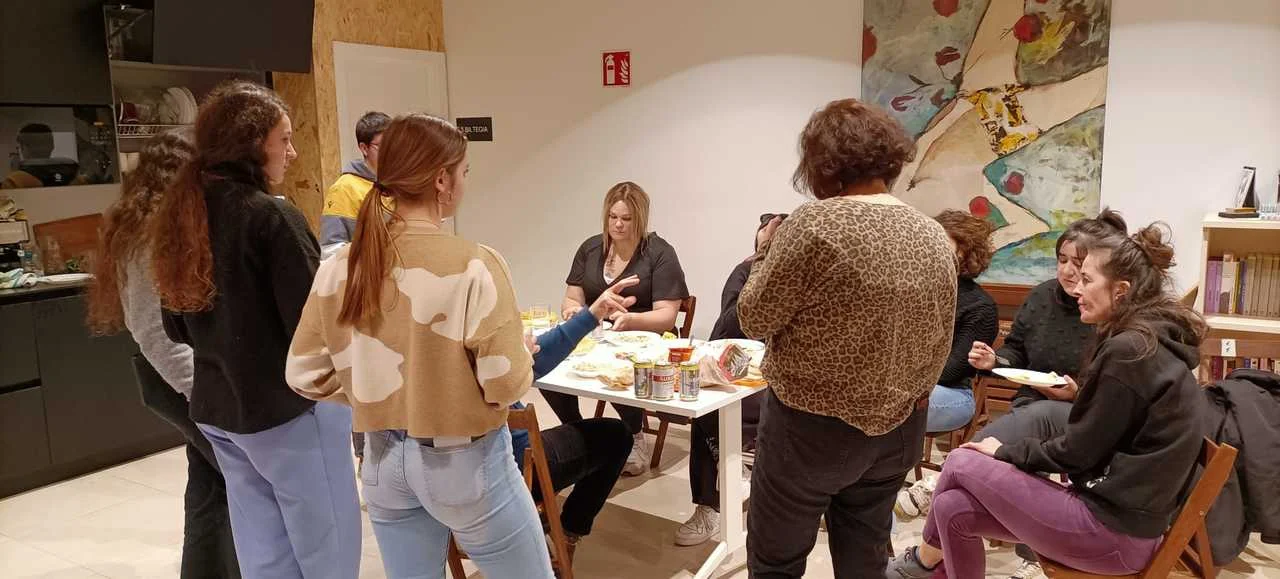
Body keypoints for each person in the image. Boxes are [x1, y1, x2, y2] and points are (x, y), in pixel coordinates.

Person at [285, 113, 552, 578]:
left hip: (381, 460)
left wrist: (377, 389)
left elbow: (303, 373)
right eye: (464, 172)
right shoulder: (476, 264)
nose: (465, 182)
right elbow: (505, 384)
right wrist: (522, 353)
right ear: (442, 181)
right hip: (466, 466)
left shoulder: (341, 266)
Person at [887, 222, 1210, 579]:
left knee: (962, 460)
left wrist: (1005, 452)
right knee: (952, 507)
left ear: (1121, 291)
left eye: (1087, 279)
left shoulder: (1130, 350)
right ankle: (927, 565)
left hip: (1112, 534)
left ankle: (921, 562)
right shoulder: (1142, 341)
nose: (1077, 289)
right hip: (1113, 517)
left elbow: (1077, 452)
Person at [738, 98, 958, 578]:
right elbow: (941, 339)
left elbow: (754, 318)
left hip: (810, 430)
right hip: (900, 429)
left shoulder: (813, 224)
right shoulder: (933, 235)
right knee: (865, 556)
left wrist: (762, 253)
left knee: (776, 561)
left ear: (822, 163)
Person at [152, 81, 361, 579]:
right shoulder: (272, 216)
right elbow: (314, 327)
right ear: (251, 143)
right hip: (289, 410)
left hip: (219, 413)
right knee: (328, 551)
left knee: (264, 553)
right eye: (284, 139)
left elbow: (175, 325)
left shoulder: (182, 215)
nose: (292, 152)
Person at [86, 127, 240, 578]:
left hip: (180, 381)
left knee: (210, 484)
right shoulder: (150, 234)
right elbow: (154, 333)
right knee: (239, 481)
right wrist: (206, 395)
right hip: (182, 382)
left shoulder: (151, 224)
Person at [549, 181, 690, 475]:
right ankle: (577, 430)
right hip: (598, 334)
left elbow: (666, 316)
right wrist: (573, 311)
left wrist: (630, 320)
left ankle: (634, 434)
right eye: (613, 217)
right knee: (549, 362)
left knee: (619, 367)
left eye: (626, 219)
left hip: (643, 338)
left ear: (640, 219)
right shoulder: (591, 248)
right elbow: (571, 298)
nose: (618, 224)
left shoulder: (659, 253)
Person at [516, 276, 641, 557]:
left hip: (448, 482)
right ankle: (568, 533)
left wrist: (592, 313)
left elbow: (536, 358)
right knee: (617, 436)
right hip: (511, 472)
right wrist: (520, 356)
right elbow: (529, 366)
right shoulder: (486, 346)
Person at [675, 216, 772, 547]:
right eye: (762, 247)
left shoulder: (803, 279)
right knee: (705, 401)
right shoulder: (743, 273)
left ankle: (734, 471)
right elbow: (727, 330)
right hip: (743, 365)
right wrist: (757, 272)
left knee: (726, 406)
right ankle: (712, 502)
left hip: (783, 377)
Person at [923, 210, 999, 434]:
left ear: (965, 253)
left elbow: (951, 371)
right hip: (908, 387)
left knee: (886, 404)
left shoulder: (981, 306)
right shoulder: (918, 290)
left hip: (951, 393)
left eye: (941, 244)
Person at [321, 111, 390, 252]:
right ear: (364, 148)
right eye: (383, 146)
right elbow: (331, 249)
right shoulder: (344, 188)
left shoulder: (399, 185)